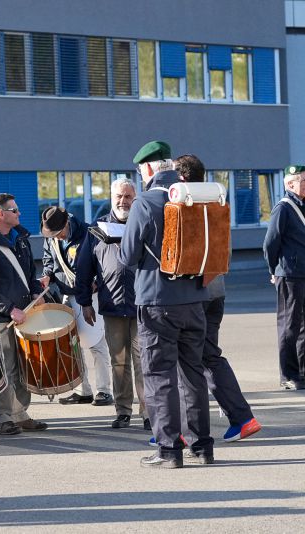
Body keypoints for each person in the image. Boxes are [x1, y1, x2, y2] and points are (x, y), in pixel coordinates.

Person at [119, 141, 213, 468]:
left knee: (159, 377)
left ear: (147, 169)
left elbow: (128, 256)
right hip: (195, 299)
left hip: (158, 301)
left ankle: (169, 450)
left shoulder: (145, 201)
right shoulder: (196, 196)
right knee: (193, 375)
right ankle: (202, 447)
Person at [173, 155, 261, 442]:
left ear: (182, 178)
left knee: (185, 361)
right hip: (216, 290)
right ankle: (243, 418)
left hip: (192, 293)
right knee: (210, 356)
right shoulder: (217, 200)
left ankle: (184, 433)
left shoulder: (181, 204)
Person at [0, 193, 47, 436]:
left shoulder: (20, 239)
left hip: (25, 314)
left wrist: (38, 292)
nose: (19, 213)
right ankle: (2, 418)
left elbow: (27, 273)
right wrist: (9, 309)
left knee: (23, 367)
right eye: (14, 210)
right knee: (2, 369)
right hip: (2, 318)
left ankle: (20, 413)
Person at [75, 179, 148, 430]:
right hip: (112, 306)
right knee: (119, 361)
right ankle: (123, 411)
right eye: (119, 196)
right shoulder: (96, 230)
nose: (123, 201)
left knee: (143, 360)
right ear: (111, 197)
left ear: (135, 198)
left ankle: (148, 413)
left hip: (142, 306)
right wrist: (84, 302)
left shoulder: (144, 224)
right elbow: (83, 268)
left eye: (128, 197)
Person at [40, 206, 113, 407]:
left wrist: (97, 280)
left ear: (67, 223)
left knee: (96, 342)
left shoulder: (88, 233)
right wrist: (47, 274)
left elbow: (101, 262)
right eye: (53, 234)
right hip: (66, 292)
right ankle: (83, 390)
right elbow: (48, 260)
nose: (58, 237)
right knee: (72, 344)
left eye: (59, 232)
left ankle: (104, 391)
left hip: (90, 294)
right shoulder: (52, 235)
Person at [263, 164, 305, 391]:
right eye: (304, 181)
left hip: (302, 273)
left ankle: (301, 371)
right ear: (290, 184)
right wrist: (273, 270)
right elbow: (270, 243)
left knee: (303, 327)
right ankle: (288, 375)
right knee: (289, 326)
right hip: (289, 274)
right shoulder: (284, 208)